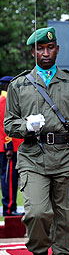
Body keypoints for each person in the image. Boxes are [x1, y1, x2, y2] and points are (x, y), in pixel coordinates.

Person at [4, 27, 69, 255]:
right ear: (32, 52)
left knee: (65, 220)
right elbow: (9, 125)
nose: (45, 53)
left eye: (50, 47)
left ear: (57, 49)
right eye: (40, 49)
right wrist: (26, 126)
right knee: (36, 213)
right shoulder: (19, 85)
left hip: (66, 158)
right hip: (33, 157)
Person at [0, 76, 24, 217]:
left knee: (13, 178)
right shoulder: (4, 101)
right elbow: (5, 126)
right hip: (9, 147)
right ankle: (9, 208)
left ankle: (11, 206)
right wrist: (8, 146)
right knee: (9, 178)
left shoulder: (9, 100)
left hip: (14, 146)